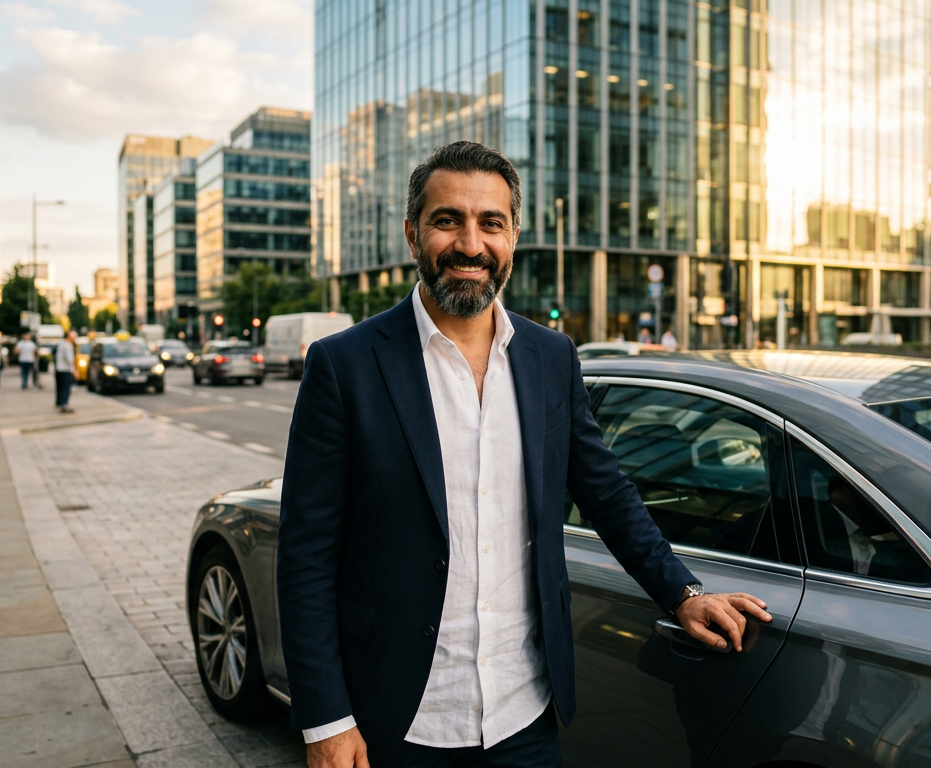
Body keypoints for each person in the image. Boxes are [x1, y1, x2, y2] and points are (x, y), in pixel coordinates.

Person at [278, 142, 772, 768]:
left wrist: (682, 592)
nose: (470, 244)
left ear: (513, 236)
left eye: (491, 223)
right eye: (447, 220)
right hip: (399, 720)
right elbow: (306, 555)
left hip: (524, 717)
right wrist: (325, 717)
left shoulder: (551, 357)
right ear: (412, 234)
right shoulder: (344, 365)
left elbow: (606, 492)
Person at [54, 330, 76, 413]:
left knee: (60, 388)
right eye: (74, 337)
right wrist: (74, 370)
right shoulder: (68, 345)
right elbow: (70, 360)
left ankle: (59, 403)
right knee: (66, 389)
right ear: (69, 336)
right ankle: (64, 405)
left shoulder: (61, 343)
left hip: (59, 369)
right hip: (65, 370)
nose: (75, 338)